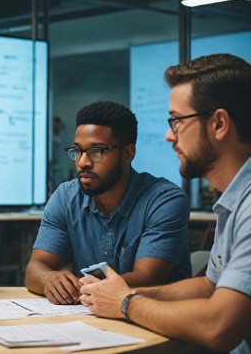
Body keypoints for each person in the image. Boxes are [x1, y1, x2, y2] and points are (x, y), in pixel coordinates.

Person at [79, 53, 251, 353]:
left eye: (177, 121)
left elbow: (218, 326)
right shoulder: (234, 200)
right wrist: (126, 292)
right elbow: (209, 287)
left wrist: (125, 302)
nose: (169, 136)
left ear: (219, 124)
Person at [25, 101, 191, 305]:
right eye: (77, 151)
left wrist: (78, 287)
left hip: (156, 322)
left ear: (128, 154)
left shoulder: (164, 200)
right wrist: (49, 279)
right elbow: (35, 268)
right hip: (94, 321)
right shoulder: (65, 198)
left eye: (97, 151)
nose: (83, 162)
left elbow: (147, 279)